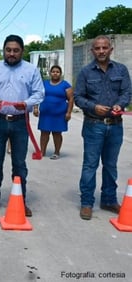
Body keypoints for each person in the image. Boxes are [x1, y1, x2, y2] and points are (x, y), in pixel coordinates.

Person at [0, 34, 44, 217]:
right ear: (3, 50)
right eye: (8, 50)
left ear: (22, 51)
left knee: (19, 164)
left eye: (16, 50)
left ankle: (20, 200)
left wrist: (27, 102)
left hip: (20, 122)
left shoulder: (31, 70)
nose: (11, 54)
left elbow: (39, 93)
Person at [74, 35, 131, 220]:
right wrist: (93, 107)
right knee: (90, 165)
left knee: (110, 165)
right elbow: (78, 97)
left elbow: (126, 92)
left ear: (110, 49)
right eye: (97, 48)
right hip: (93, 125)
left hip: (115, 126)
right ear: (92, 51)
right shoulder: (85, 72)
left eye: (104, 47)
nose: (101, 51)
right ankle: (87, 203)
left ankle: (108, 199)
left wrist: (120, 105)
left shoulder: (121, 70)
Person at [33, 65, 74, 159]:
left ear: (60, 73)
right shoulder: (44, 83)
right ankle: (42, 151)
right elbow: (38, 96)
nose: (55, 73)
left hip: (59, 114)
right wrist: (35, 108)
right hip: (45, 113)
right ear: (50, 73)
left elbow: (71, 99)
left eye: (57, 72)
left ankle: (56, 152)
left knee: (57, 133)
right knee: (44, 132)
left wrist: (68, 112)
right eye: (53, 71)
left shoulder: (65, 85)